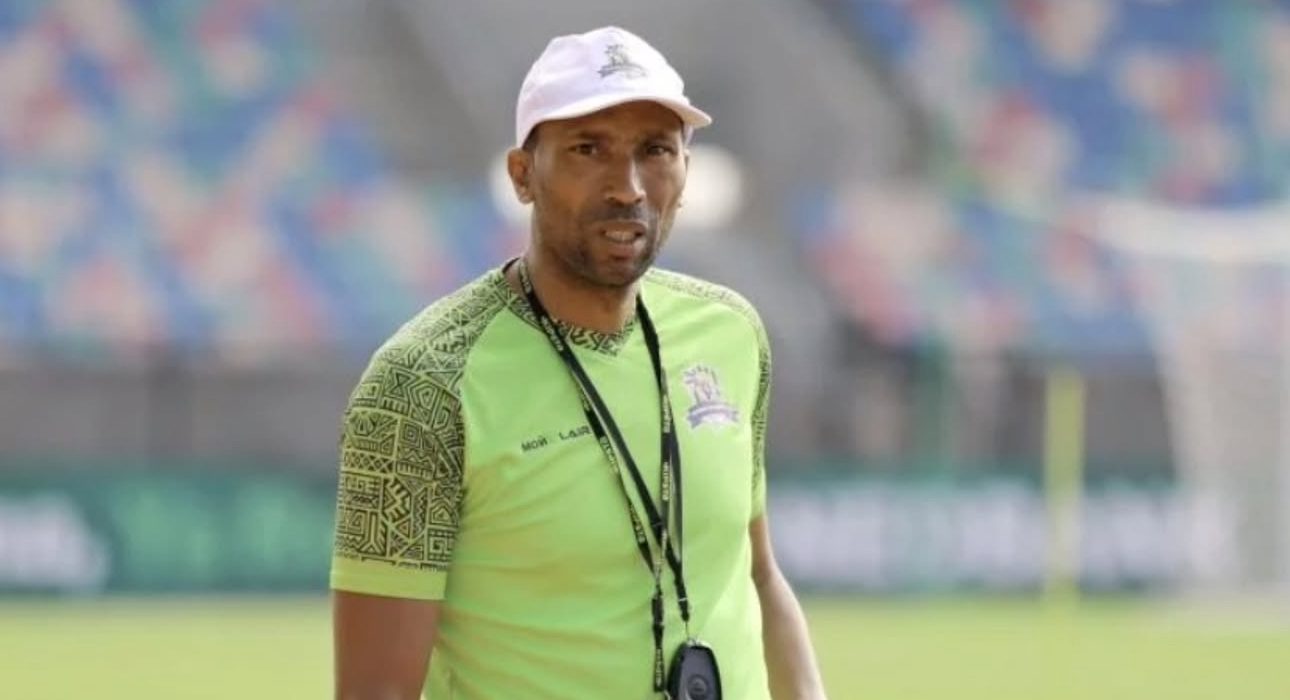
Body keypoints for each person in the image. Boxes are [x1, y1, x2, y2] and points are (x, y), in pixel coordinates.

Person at [330, 25, 827, 700]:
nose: (627, 187)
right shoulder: (422, 385)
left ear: (686, 169)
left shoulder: (730, 333)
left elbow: (759, 576)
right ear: (522, 175)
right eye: (588, 149)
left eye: (655, 150)